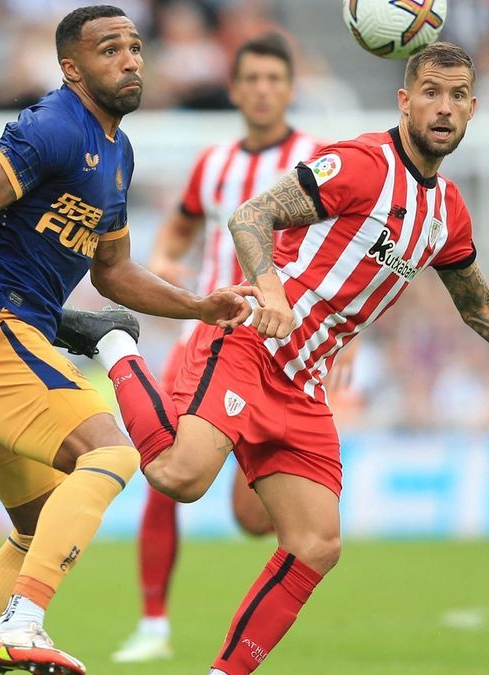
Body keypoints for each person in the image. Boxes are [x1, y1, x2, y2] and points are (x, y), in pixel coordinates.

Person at [55, 42, 489, 674]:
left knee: (316, 543)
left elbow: (482, 310)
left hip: (304, 384)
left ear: (473, 108)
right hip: (250, 344)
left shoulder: (447, 213)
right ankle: (115, 341)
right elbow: (252, 215)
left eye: (457, 96)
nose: (443, 108)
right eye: (430, 93)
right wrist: (268, 287)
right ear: (405, 102)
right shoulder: (360, 164)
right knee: (181, 479)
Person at [0, 6, 256, 675]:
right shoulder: (54, 126)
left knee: (34, 528)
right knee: (114, 453)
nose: (130, 60)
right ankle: (24, 620)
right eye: (110, 49)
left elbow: (113, 272)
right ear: (72, 67)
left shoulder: (116, 153)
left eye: (136, 47)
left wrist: (198, 304)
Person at [110, 32, 334, 664]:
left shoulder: (320, 161)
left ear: (289, 90)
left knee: (256, 519)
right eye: (252, 79)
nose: (263, 90)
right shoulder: (214, 165)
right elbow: (176, 233)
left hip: (290, 353)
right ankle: (153, 623)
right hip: (209, 338)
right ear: (235, 90)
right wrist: (167, 280)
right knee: (171, 475)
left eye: (274, 80)